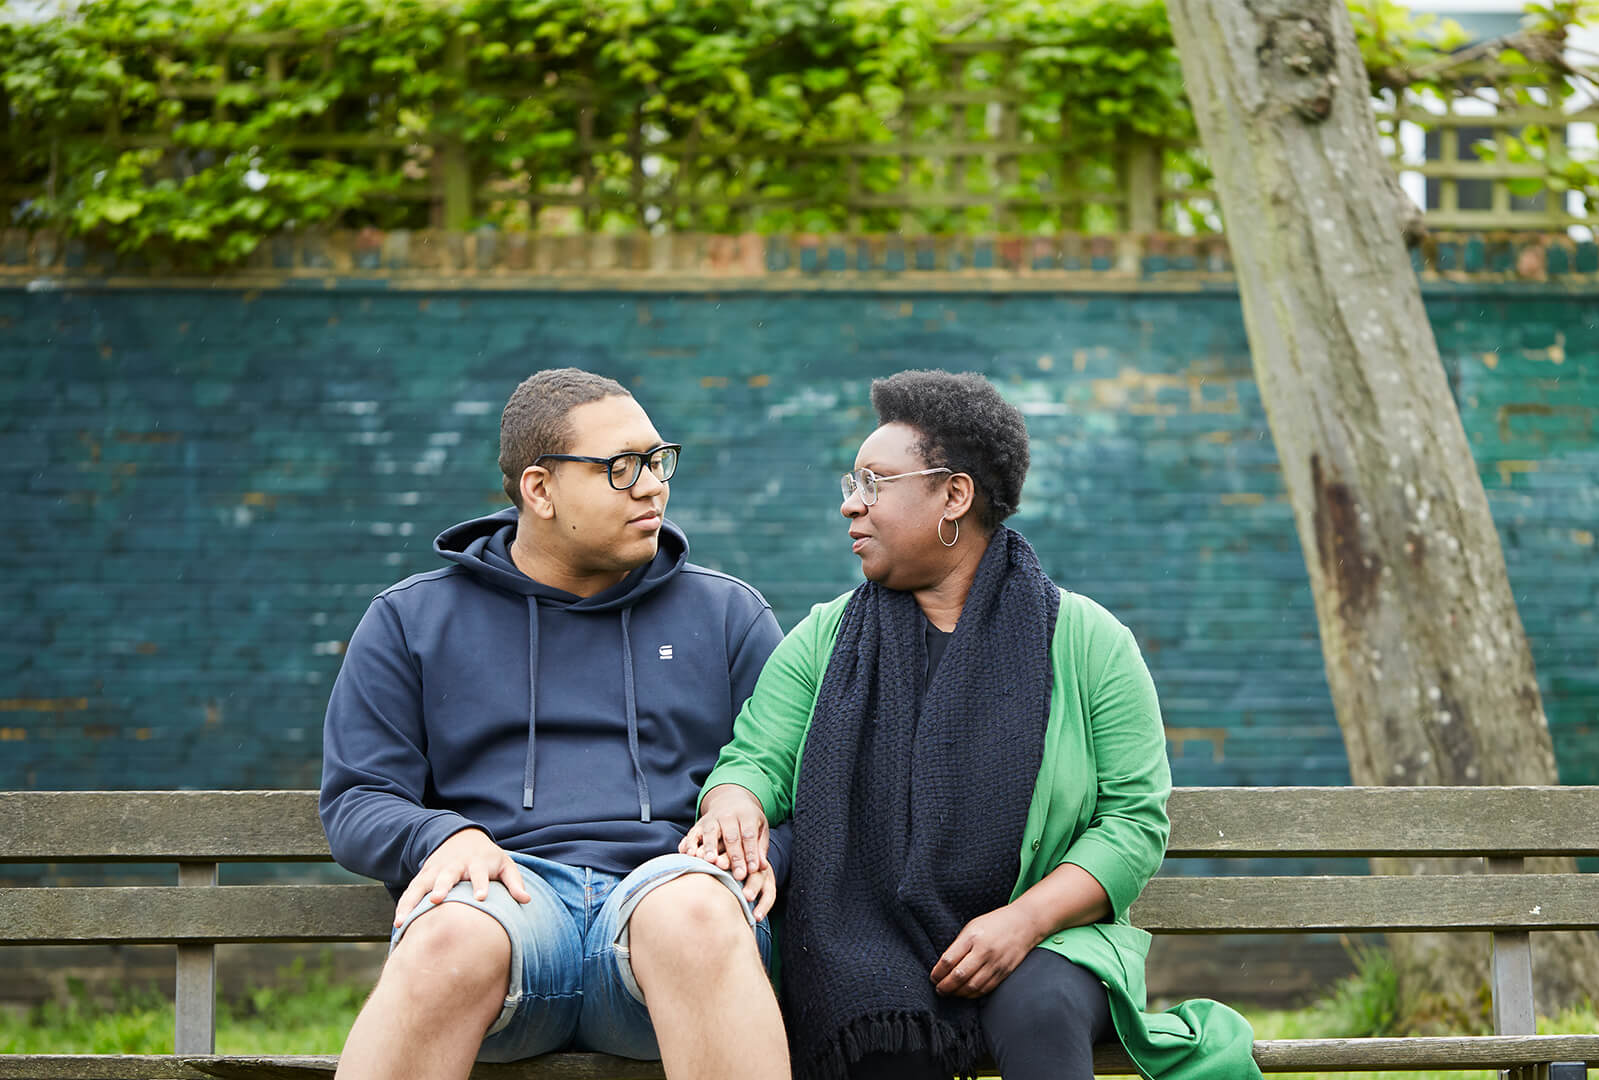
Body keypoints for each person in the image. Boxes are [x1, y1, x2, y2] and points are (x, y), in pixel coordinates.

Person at [682, 370, 1256, 1080]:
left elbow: (1132, 822)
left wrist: (1025, 922)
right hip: (870, 938)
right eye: (850, 483)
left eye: (874, 481)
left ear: (954, 494)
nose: (850, 506)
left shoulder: (1086, 640)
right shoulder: (824, 640)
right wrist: (735, 798)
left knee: (1036, 1007)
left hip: (1053, 939)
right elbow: (756, 759)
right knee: (874, 1023)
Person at [320, 368, 790, 1080]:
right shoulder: (412, 620)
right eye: (621, 468)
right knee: (449, 933)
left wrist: (754, 850)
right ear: (538, 489)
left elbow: (807, 782)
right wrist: (440, 834)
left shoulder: (727, 617)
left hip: (662, 910)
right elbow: (357, 796)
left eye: (658, 461)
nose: (653, 486)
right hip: (507, 908)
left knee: (696, 910)